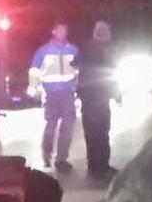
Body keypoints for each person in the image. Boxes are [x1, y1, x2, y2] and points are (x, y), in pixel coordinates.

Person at [28, 21, 80, 170]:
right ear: (54, 31)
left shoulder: (73, 50)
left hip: (68, 93)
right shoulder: (43, 51)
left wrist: (76, 86)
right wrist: (33, 89)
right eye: (60, 30)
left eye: (65, 30)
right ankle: (46, 154)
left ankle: (61, 159)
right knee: (50, 125)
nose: (63, 33)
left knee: (68, 126)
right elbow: (34, 71)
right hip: (51, 94)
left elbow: (78, 70)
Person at [78, 21, 120, 180]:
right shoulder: (103, 50)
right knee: (100, 132)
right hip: (97, 98)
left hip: (91, 98)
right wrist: (116, 95)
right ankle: (100, 166)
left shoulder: (89, 49)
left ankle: (96, 166)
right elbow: (109, 75)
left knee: (94, 133)